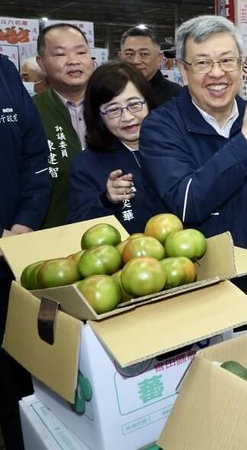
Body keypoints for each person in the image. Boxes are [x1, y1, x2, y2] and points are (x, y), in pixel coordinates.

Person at [139, 15, 247, 311]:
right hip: (191, 288)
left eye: (226, 61)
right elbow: (187, 203)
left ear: (241, 65)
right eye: (203, 63)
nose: (217, 73)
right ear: (183, 70)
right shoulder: (161, 126)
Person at [0, 55, 50, 450]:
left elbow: (36, 156)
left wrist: (24, 224)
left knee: (17, 375)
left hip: (16, 253)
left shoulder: (4, 70)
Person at [68, 63, 164, 233]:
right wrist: (106, 201)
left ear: (148, 102)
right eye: (113, 110)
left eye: (134, 105)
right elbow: (77, 227)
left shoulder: (173, 147)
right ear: (98, 116)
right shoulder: (86, 165)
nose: (127, 117)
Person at [33, 23, 94, 228]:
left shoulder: (114, 107)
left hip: (114, 229)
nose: (73, 61)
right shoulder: (30, 111)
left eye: (81, 52)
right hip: (51, 231)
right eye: (60, 54)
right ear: (41, 63)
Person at [118, 26, 182, 106]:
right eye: (129, 54)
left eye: (144, 54)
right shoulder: (109, 91)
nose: (136, 61)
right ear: (120, 57)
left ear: (159, 58)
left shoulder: (177, 97)